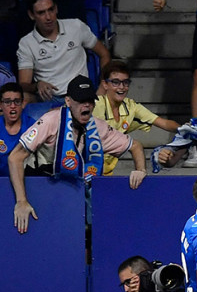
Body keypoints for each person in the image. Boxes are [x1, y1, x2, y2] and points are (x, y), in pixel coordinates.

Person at [9, 76, 145, 234]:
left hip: (75, 191)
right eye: (81, 100)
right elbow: (15, 157)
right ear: (68, 101)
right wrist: (21, 201)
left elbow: (135, 146)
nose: (86, 105)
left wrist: (140, 169)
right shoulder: (50, 121)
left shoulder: (98, 128)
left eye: (90, 100)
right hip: (42, 186)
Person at [17, 0, 111, 120]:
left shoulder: (76, 27)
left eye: (51, 10)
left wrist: (103, 84)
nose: (48, 17)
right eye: (41, 13)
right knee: (20, 100)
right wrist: (37, 86)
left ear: (56, 9)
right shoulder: (26, 43)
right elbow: (23, 84)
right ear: (32, 15)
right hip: (49, 98)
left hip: (80, 93)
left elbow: (104, 54)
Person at [94, 60, 180, 175]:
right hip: (86, 168)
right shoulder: (95, 106)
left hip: (106, 172)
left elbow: (164, 123)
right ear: (105, 84)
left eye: (125, 82)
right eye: (115, 82)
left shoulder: (131, 107)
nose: (122, 87)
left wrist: (186, 129)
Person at [0, 83, 35, 178]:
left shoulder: (32, 126)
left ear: (23, 104)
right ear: (0, 105)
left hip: (26, 181)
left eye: (17, 101)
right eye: (7, 102)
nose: (13, 106)